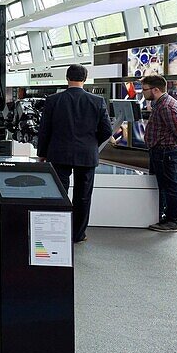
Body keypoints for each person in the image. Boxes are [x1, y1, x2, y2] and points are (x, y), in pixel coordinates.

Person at [35, 64, 113, 243]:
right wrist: (92, 144)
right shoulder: (97, 101)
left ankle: (57, 231)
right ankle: (78, 234)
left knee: (59, 192)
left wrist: (42, 152)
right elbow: (106, 131)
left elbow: (45, 130)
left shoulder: (53, 100)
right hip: (86, 155)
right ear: (85, 79)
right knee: (83, 195)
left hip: (58, 153)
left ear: (67, 78)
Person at [141, 75, 177, 232]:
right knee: (164, 185)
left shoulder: (166, 106)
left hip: (168, 152)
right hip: (162, 152)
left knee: (169, 186)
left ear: (156, 89)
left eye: (144, 89)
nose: (142, 93)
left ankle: (172, 221)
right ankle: (163, 217)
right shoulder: (160, 104)